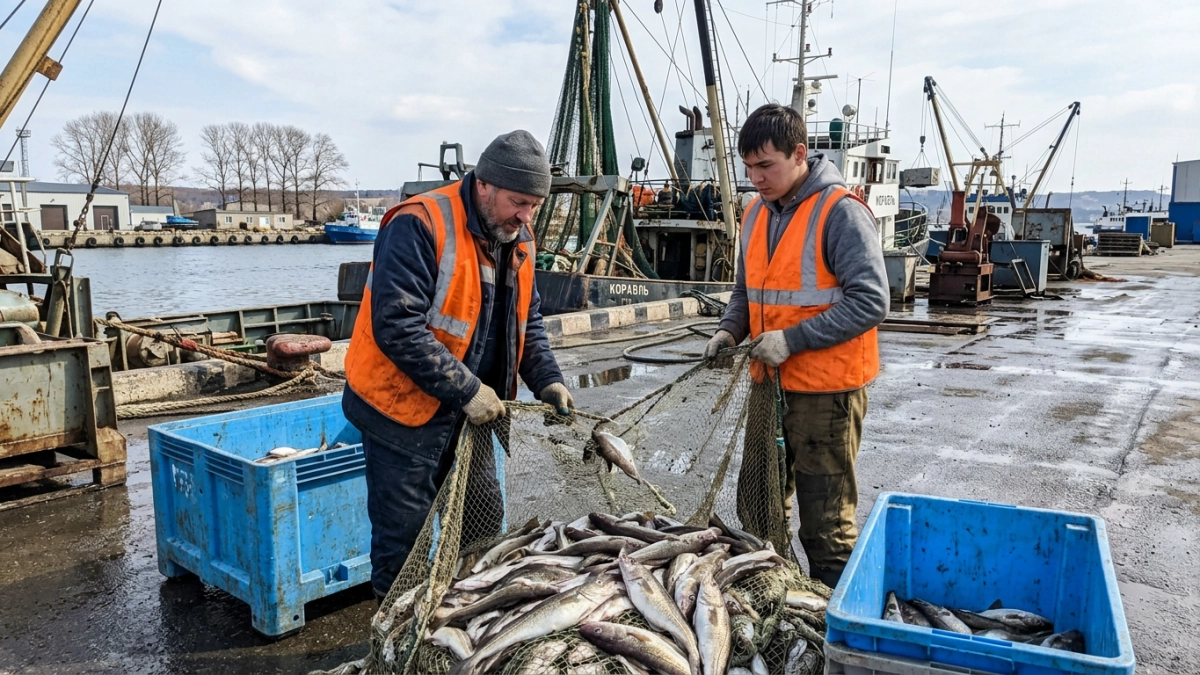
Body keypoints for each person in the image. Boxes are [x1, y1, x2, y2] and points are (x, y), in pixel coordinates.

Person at [342, 130, 574, 601]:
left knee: (484, 528)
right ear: (485, 185)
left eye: (535, 205)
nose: (527, 217)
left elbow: (527, 325)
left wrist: (548, 380)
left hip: (471, 417)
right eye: (518, 202)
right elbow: (397, 326)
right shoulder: (419, 223)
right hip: (401, 413)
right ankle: (397, 637)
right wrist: (468, 391)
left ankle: (469, 618)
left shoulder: (518, 238)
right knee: (405, 547)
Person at [705, 104, 888, 588]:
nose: (755, 178)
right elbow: (748, 290)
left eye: (766, 166)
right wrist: (729, 331)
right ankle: (774, 600)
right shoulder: (755, 213)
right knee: (760, 505)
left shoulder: (840, 212)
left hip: (826, 395)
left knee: (825, 526)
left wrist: (792, 340)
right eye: (748, 168)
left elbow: (871, 301)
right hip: (771, 387)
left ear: (800, 154)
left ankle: (832, 626)